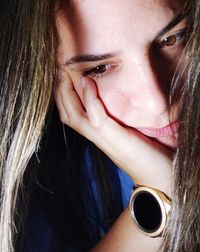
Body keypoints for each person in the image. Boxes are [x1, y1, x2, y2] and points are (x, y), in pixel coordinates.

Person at [0, 0, 199, 252]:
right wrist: (161, 191)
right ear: (53, 82)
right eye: (100, 68)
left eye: (173, 39)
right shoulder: (46, 189)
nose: (155, 102)